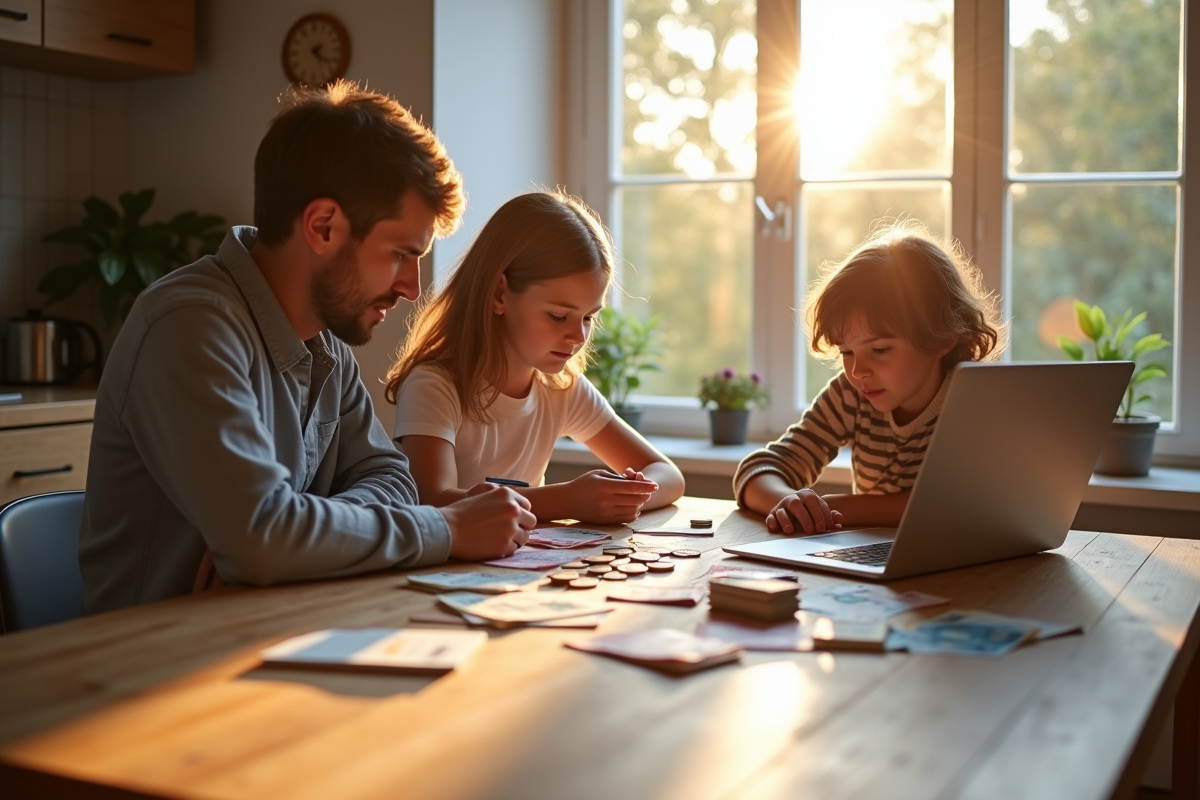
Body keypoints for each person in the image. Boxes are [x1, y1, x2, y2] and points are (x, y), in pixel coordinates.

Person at [79, 81, 536, 614]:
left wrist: (303, 534)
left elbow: (392, 478)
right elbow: (263, 542)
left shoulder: (323, 344)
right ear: (323, 226)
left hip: (270, 630)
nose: (412, 287)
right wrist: (444, 528)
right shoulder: (189, 327)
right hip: (148, 664)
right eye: (400, 254)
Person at [386, 191, 685, 524]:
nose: (579, 336)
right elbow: (435, 501)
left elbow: (668, 476)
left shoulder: (562, 389)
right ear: (500, 294)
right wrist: (567, 501)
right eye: (559, 316)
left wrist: (622, 498)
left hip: (525, 571)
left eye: (588, 317)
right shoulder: (435, 386)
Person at [733, 221, 1005, 535]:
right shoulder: (851, 395)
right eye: (847, 352)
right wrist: (790, 503)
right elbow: (757, 471)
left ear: (942, 338)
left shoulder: (973, 400)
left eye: (879, 349)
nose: (857, 371)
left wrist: (836, 508)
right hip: (872, 558)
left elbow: (957, 505)